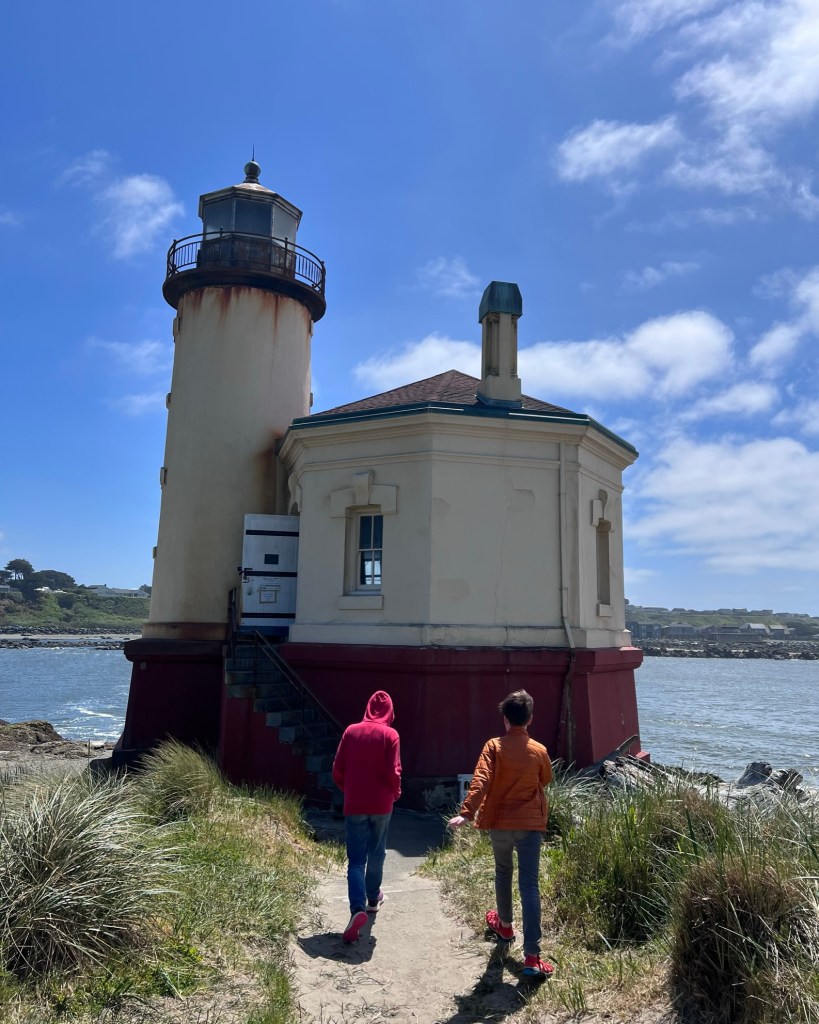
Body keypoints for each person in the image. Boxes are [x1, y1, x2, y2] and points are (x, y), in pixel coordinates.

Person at [448, 689, 554, 979]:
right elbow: (546, 778)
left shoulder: (493, 746)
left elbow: (481, 779)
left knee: (503, 872)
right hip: (530, 824)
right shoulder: (539, 750)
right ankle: (532, 957)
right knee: (529, 885)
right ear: (530, 719)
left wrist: (467, 813)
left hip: (499, 823)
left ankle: (505, 926)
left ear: (505, 719)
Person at [332, 690, 402, 943]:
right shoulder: (391, 734)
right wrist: (395, 793)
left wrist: (348, 790)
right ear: (389, 712)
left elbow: (338, 768)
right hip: (382, 804)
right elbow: (393, 771)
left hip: (355, 803)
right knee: (378, 851)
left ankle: (357, 909)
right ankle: (373, 898)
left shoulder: (351, 732)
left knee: (356, 860)